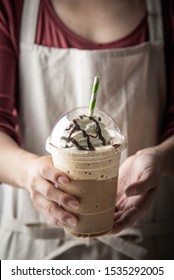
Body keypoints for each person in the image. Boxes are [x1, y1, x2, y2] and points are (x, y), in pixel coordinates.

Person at [0, 0, 174, 260]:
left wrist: (159, 158)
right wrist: (28, 173)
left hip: (146, 250)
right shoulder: (12, 7)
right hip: (33, 252)